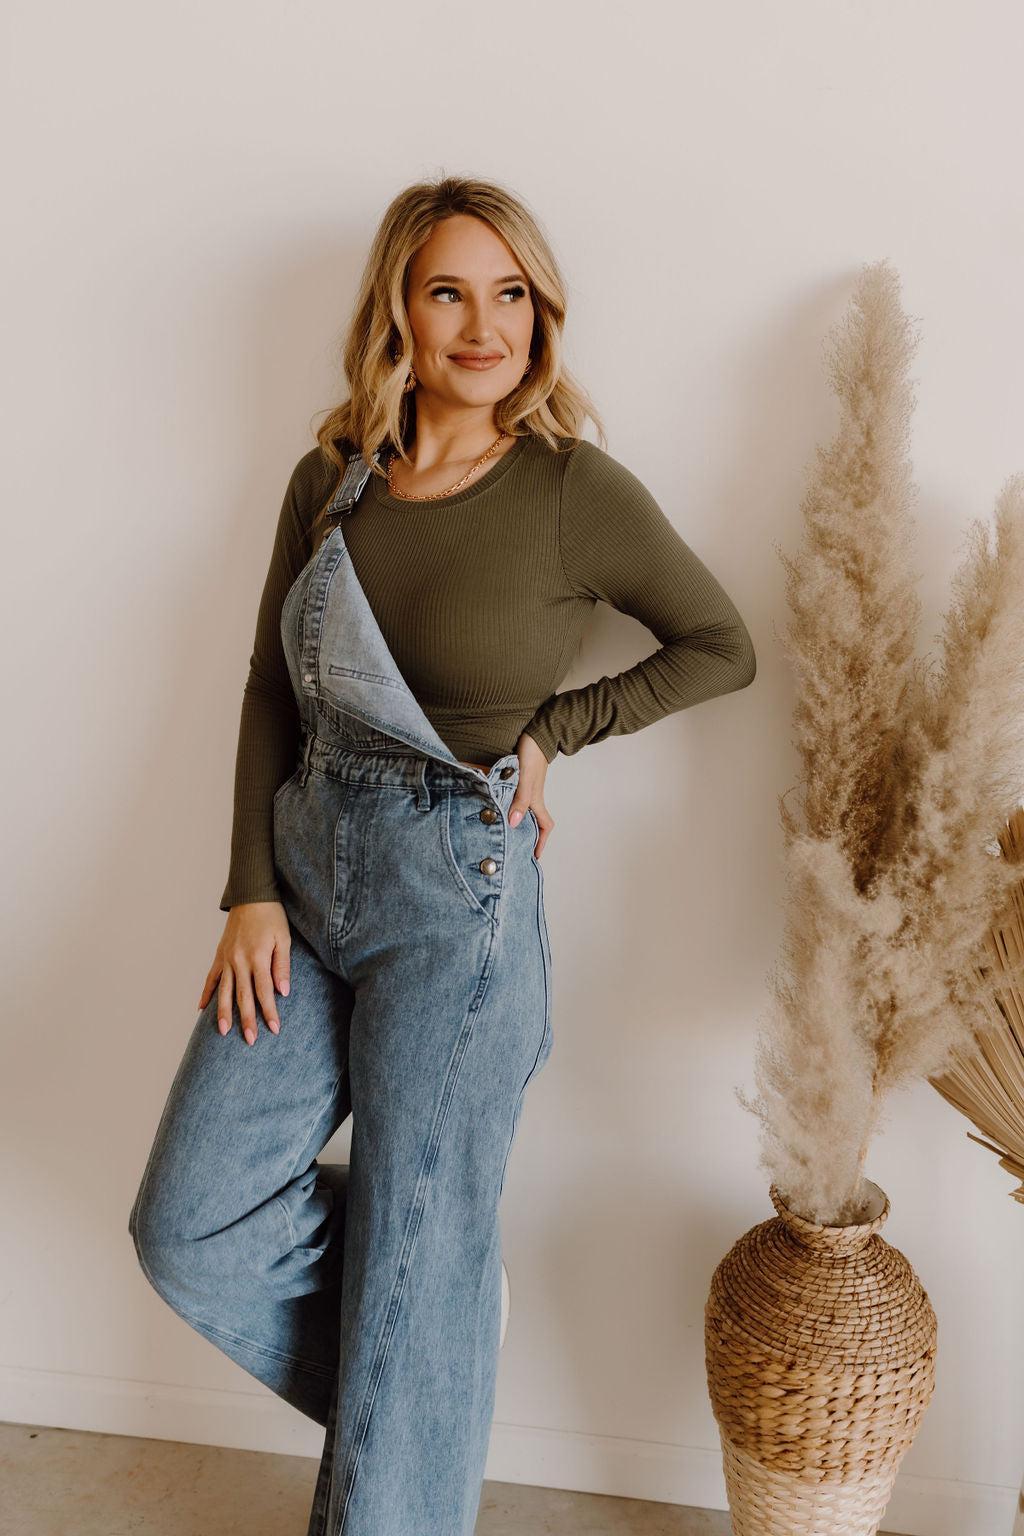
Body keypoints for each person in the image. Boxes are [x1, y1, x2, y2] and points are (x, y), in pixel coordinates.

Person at [128, 174, 757, 1536]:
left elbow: (723, 645)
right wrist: (248, 890)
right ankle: (437, 1306)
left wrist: (557, 732)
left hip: (455, 906)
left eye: (510, 294)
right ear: (398, 313)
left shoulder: (573, 491)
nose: (484, 327)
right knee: (188, 1223)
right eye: (449, 293)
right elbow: (270, 688)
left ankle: (430, 1299)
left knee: (414, 1268)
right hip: (304, 883)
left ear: (542, 314)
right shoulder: (330, 478)